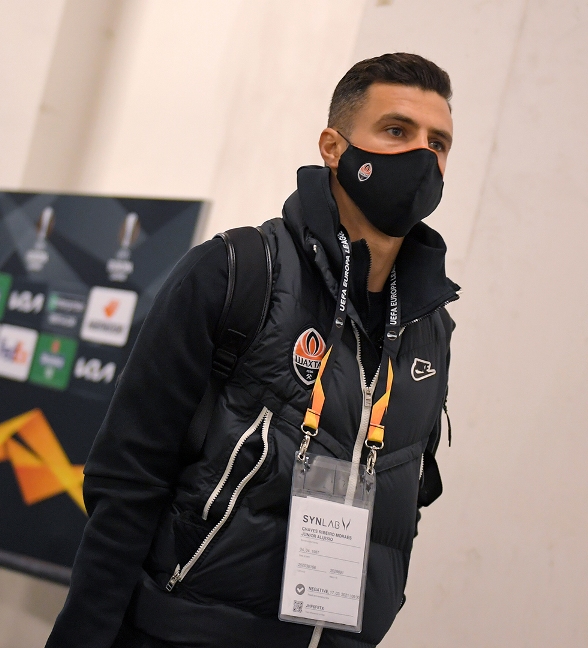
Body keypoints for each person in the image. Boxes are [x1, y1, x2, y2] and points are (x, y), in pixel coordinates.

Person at [46, 52, 459, 648]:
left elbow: (400, 503)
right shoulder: (237, 272)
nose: (422, 156)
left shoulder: (430, 329)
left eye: (438, 143)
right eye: (396, 130)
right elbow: (128, 479)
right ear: (334, 148)